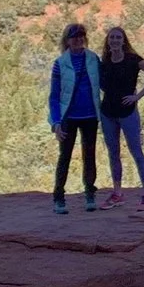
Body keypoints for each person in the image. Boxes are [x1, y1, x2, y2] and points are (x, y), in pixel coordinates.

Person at [98, 26, 144, 208]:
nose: (115, 40)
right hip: (108, 112)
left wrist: (137, 96)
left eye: (118, 37)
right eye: (112, 38)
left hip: (128, 112)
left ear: (123, 40)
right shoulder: (105, 61)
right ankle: (117, 193)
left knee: (136, 151)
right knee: (113, 153)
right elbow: (103, 85)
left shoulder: (133, 60)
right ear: (108, 41)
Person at [47, 22, 103, 213]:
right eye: (74, 36)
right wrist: (55, 122)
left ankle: (89, 193)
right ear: (67, 40)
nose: (78, 39)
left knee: (90, 155)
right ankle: (58, 197)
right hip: (68, 117)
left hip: (90, 115)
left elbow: (105, 82)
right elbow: (54, 96)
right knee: (65, 156)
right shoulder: (60, 64)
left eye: (81, 36)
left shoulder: (93, 59)